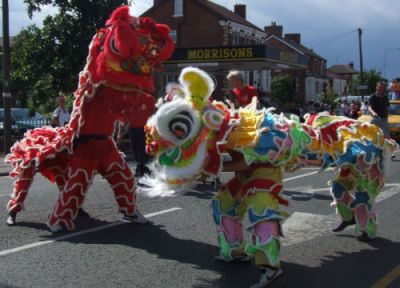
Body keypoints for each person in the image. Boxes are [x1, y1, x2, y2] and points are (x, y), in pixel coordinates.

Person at [119, 94, 156, 179]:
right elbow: (124, 116)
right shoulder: (128, 99)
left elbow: (154, 111)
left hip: (145, 128)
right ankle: (142, 166)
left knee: (143, 148)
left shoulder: (149, 99)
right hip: (133, 128)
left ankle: (142, 167)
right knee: (135, 148)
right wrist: (121, 131)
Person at [368, 82, 395, 159]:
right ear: (376, 87)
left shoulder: (385, 97)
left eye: (382, 87)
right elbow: (369, 107)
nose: (381, 89)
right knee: (371, 134)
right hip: (375, 119)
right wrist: (373, 113)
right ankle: (370, 151)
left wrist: (388, 115)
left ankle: (391, 153)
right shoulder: (373, 97)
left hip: (384, 119)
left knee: (387, 137)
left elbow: (388, 107)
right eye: (380, 87)